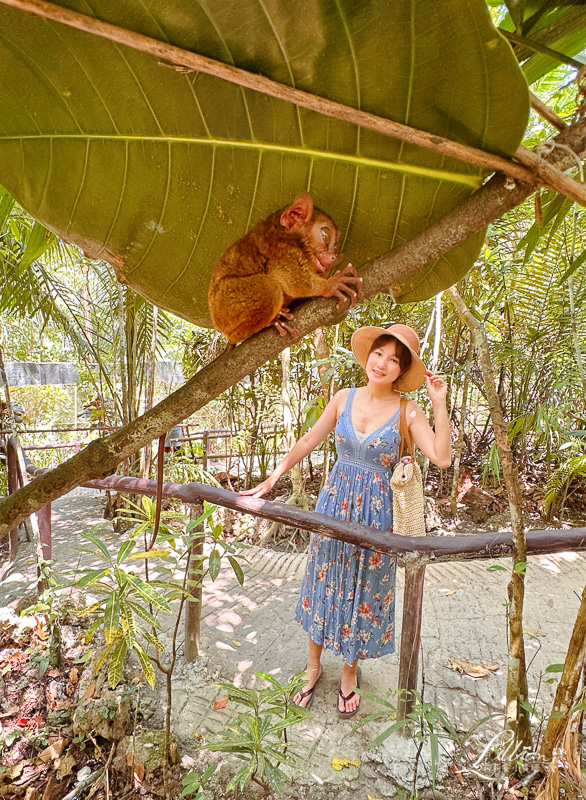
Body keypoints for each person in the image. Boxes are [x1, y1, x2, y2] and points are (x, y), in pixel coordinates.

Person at [241, 324, 451, 717]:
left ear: (402, 370)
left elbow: (441, 457)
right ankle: (314, 665)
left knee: (364, 588)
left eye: (394, 360)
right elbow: (307, 440)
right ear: (368, 355)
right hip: (334, 504)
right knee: (325, 577)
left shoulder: (409, 409)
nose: (383, 363)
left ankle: (350, 672)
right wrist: (272, 478)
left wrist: (438, 402)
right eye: (379, 353)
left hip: (376, 515)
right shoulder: (343, 398)